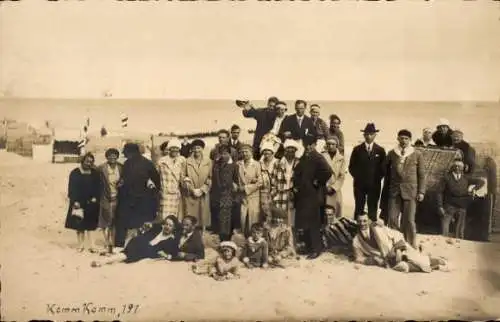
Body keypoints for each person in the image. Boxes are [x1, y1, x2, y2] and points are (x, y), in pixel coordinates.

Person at [353, 214, 448, 273]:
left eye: (364, 221)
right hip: (387, 261)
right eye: (360, 221)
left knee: (418, 259)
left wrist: (398, 249)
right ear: (357, 222)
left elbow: (397, 235)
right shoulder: (356, 240)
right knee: (403, 267)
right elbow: (358, 258)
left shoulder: (379, 228)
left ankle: (439, 262)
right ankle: (434, 267)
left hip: (398, 250)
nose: (362, 224)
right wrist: (373, 260)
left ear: (369, 221)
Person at [293, 135, 333, 259]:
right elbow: (297, 172)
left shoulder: (318, 157)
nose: (308, 147)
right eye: (306, 144)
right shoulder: (304, 157)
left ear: (315, 144)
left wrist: (318, 181)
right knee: (305, 223)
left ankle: (316, 249)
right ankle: (308, 247)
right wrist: (296, 185)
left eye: (310, 144)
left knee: (314, 224)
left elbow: (328, 171)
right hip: (304, 195)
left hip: (315, 196)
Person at [115, 143, 161, 248]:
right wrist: (152, 193)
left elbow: (124, 182)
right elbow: (157, 183)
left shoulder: (127, 164)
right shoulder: (148, 163)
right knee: (141, 224)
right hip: (143, 200)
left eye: (125, 152)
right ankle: (141, 245)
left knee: (122, 223)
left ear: (131, 152)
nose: (124, 154)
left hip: (130, 199)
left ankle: (120, 245)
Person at [386, 129, 426, 249]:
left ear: (410, 140)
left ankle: (410, 245)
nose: (403, 141)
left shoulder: (417, 154)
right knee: (392, 218)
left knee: (409, 220)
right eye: (401, 138)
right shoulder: (392, 153)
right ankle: (395, 244)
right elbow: (386, 171)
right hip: (394, 191)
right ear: (398, 139)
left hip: (410, 191)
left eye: (406, 139)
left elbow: (422, 175)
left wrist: (421, 191)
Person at [90, 215, 181, 267]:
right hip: (140, 243)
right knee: (130, 248)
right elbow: (145, 232)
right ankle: (109, 255)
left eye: (170, 225)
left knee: (127, 254)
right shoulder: (157, 229)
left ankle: (104, 261)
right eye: (166, 224)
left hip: (149, 251)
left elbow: (174, 254)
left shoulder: (172, 240)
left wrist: (166, 255)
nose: (167, 227)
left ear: (174, 228)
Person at [436, 160, 485, 239]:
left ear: (462, 168)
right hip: (449, 205)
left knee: (459, 231)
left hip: (462, 206)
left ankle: (459, 247)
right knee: (444, 229)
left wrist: (474, 189)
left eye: (460, 167)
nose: (457, 168)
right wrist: (440, 206)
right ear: (453, 167)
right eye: (456, 166)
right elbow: (439, 192)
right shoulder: (446, 178)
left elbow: (481, 181)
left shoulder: (465, 178)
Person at [348, 123, 386, 221]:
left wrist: (376, 179)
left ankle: (372, 232)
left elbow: (383, 169)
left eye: (371, 134)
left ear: (375, 135)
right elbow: (351, 167)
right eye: (367, 134)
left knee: (372, 209)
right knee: (359, 208)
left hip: (374, 185)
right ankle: (357, 231)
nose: (369, 136)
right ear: (364, 135)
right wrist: (359, 178)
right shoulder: (357, 150)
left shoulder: (380, 150)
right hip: (359, 185)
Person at [65, 152, 101, 252]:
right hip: (78, 202)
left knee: (91, 225)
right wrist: (74, 201)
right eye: (87, 161)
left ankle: (92, 246)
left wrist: (96, 198)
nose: (89, 164)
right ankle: (80, 245)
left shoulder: (95, 173)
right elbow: (71, 188)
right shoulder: (75, 173)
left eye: (91, 162)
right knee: (79, 224)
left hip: (91, 202)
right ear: (82, 161)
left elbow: (98, 187)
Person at [97, 148, 123, 255]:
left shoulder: (121, 167)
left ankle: (112, 242)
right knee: (105, 219)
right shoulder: (101, 168)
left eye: (115, 155)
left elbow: (124, 179)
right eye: (110, 156)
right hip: (105, 197)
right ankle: (107, 242)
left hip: (117, 197)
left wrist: (121, 183)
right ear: (106, 157)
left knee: (114, 221)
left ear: (117, 157)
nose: (112, 158)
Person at [210, 145, 239, 242]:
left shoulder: (234, 165)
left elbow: (236, 180)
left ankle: (227, 237)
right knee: (219, 216)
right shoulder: (217, 165)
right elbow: (215, 178)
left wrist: (232, 187)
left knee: (226, 217)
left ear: (230, 154)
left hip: (228, 194)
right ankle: (221, 237)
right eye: (222, 154)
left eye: (226, 153)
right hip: (218, 194)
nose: (223, 156)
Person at [182, 139, 212, 231]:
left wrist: (202, 189)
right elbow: (183, 177)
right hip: (191, 193)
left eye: (198, 148)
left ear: (202, 149)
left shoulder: (208, 161)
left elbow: (210, 178)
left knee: (203, 214)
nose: (196, 150)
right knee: (191, 214)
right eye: (194, 148)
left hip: (202, 192)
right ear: (192, 149)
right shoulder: (187, 161)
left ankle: (203, 232)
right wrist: (192, 189)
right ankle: (190, 231)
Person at [270, 139, 300, 229]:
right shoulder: (278, 163)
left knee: (292, 220)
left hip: (294, 194)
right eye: (288, 149)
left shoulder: (299, 163)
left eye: (292, 149)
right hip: (280, 193)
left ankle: (291, 240)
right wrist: (273, 195)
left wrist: (296, 191)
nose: (290, 151)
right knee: (280, 220)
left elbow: (302, 180)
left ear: (295, 151)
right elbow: (273, 180)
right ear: (285, 150)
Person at [237, 144, 263, 237]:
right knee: (243, 216)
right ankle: (244, 237)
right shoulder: (239, 164)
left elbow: (260, 182)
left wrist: (246, 188)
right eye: (242, 152)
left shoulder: (257, 164)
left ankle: (254, 237)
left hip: (253, 195)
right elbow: (235, 178)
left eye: (246, 151)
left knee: (253, 217)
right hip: (242, 196)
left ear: (251, 152)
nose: (244, 154)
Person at [157, 138, 186, 220]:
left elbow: (183, 175)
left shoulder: (182, 160)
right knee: (165, 217)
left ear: (179, 149)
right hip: (165, 192)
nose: (174, 150)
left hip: (176, 192)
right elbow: (156, 175)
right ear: (169, 149)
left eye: (176, 148)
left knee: (175, 217)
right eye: (172, 148)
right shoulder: (162, 161)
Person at [322, 135, 346, 222]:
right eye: (329, 144)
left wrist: (334, 187)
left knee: (337, 210)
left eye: (333, 144)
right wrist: (325, 186)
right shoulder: (322, 156)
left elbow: (342, 176)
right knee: (324, 212)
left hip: (335, 190)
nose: (330, 146)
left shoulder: (341, 159)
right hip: (324, 188)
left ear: (336, 146)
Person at [259, 142, 278, 222]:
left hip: (275, 189)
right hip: (263, 190)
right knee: (263, 211)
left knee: (273, 210)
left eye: (268, 152)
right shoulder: (260, 163)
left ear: (272, 153)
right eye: (265, 152)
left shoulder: (277, 162)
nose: (266, 154)